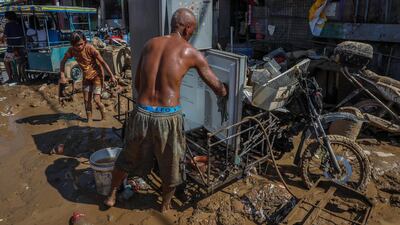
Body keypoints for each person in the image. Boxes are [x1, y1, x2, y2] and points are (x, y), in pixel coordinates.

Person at [103, 8, 227, 212]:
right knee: (171, 164)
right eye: (193, 30)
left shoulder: (150, 44)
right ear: (187, 28)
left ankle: (111, 195)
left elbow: (136, 83)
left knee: (127, 157)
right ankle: (165, 205)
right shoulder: (190, 52)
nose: (192, 34)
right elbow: (217, 87)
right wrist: (227, 90)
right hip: (167, 117)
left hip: (141, 112)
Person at [59, 31, 117, 122]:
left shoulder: (90, 48)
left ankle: (104, 118)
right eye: (77, 45)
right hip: (86, 77)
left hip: (97, 76)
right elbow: (62, 62)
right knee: (86, 100)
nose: (79, 47)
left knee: (97, 100)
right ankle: (89, 121)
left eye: (81, 44)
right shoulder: (71, 51)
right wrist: (62, 76)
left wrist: (112, 76)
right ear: (72, 45)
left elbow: (103, 62)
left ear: (85, 41)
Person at [0, 11, 24, 83]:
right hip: (20, 46)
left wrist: (2, 40)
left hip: (12, 47)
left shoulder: (8, 25)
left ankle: (10, 78)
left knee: (5, 61)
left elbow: (4, 36)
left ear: (7, 17)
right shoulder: (18, 24)